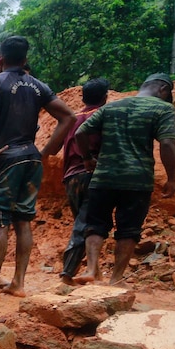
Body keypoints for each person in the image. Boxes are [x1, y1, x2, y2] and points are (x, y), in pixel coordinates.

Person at [0, 36, 75, 299]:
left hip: (5, 159)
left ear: (0, 59)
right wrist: (46, 152)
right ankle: (18, 284)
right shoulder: (39, 86)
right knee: (23, 221)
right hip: (31, 158)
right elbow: (68, 117)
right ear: (26, 59)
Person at [73, 73, 175, 286]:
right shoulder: (163, 109)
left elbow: (80, 133)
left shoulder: (111, 107)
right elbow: (167, 144)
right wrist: (172, 178)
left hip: (103, 178)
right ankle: (116, 279)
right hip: (137, 181)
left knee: (95, 224)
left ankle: (92, 269)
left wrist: (87, 159)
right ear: (164, 90)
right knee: (128, 229)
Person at [59, 78, 109, 284]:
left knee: (83, 222)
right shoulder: (102, 116)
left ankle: (93, 271)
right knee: (86, 225)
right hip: (91, 174)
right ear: (105, 97)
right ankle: (67, 272)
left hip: (70, 177)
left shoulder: (72, 118)